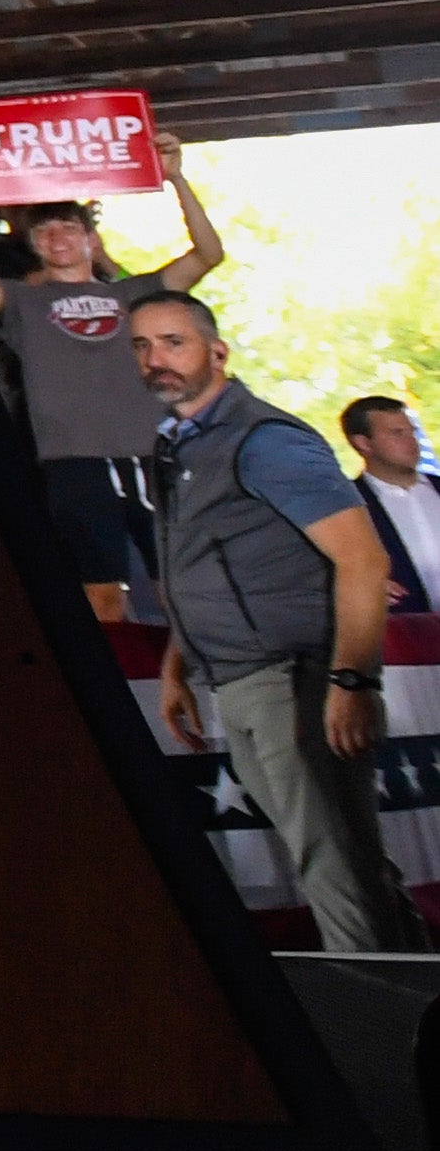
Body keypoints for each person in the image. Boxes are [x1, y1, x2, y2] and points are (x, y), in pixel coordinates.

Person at [141, 295, 421, 952]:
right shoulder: (178, 443)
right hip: (236, 677)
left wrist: (353, 680)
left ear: (217, 351)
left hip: (293, 678)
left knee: (338, 874)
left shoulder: (266, 439)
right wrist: (177, 667)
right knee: (345, 864)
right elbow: (201, 566)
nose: (156, 358)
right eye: (142, 344)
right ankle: (412, 1020)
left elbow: (362, 557)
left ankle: (375, 1039)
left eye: (174, 341)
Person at [0, 136, 224, 621]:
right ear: (34, 245)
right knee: (101, 599)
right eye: (45, 231)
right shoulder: (23, 303)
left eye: (68, 227)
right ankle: (121, 692)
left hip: (152, 454)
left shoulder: (138, 293)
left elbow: (207, 254)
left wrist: (176, 175)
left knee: (179, 589)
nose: (58, 237)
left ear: (90, 239)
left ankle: (198, 688)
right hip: (72, 463)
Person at [345, 399, 440, 612]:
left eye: (412, 431)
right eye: (397, 433)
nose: (412, 441)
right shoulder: (348, 506)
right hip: (407, 635)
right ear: (363, 443)